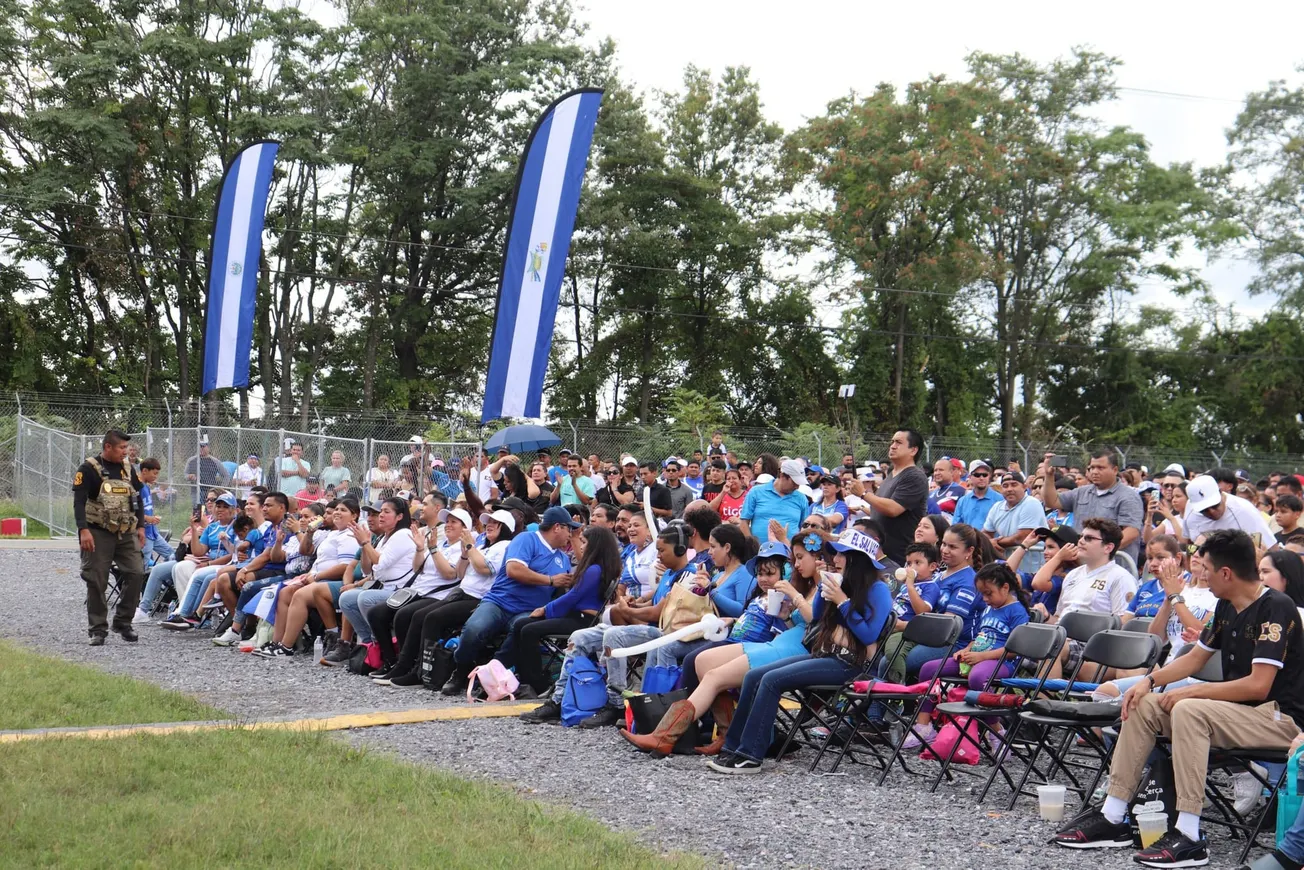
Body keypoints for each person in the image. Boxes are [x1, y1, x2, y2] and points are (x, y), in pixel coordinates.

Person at [1054, 531, 1304, 869]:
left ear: (1226, 573)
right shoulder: (1227, 604)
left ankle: (1189, 835)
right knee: (1143, 703)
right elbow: (1195, 658)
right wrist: (1149, 681)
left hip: (1279, 719)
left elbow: (1259, 686)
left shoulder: (1276, 606)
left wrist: (1190, 690)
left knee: (1188, 707)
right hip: (1235, 714)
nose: (1201, 575)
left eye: (1207, 569)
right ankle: (1114, 816)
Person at [705, 529, 894, 773]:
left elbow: (868, 635)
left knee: (772, 680)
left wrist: (843, 602)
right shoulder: (839, 582)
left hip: (849, 664)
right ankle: (733, 748)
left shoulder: (878, 590)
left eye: (840, 555)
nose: (834, 559)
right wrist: (822, 586)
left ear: (855, 559)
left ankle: (750, 755)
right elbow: (816, 619)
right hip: (825, 655)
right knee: (753, 676)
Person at [621, 538, 817, 755]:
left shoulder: (806, 589)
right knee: (701, 662)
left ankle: (664, 736)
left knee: (709, 673)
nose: (797, 564)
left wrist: (792, 601)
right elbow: (791, 621)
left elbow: (815, 622)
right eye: (795, 559)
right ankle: (723, 734)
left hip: (778, 647)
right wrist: (786, 615)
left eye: (799, 558)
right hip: (771, 641)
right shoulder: (793, 590)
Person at [444, 506, 578, 691]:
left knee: (522, 629)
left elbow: (561, 591)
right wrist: (549, 580)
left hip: (528, 609)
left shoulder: (563, 559)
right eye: (568, 529)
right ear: (557, 527)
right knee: (474, 629)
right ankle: (460, 672)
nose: (570, 535)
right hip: (500, 602)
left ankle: (490, 677)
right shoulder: (527, 539)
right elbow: (514, 570)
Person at [905, 563, 1031, 748]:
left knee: (978, 676)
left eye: (989, 593)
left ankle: (996, 732)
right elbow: (980, 636)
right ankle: (924, 726)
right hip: (976, 658)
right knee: (929, 669)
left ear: (1005, 587)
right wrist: (966, 650)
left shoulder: (1017, 611)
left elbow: (1015, 650)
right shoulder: (989, 608)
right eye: (982, 594)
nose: (985, 599)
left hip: (1002, 662)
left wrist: (982, 657)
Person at [497, 525, 622, 697]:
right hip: (574, 615)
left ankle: (534, 682)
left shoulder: (594, 570)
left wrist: (545, 610)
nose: (581, 546)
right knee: (521, 624)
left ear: (595, 545)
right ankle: (507, 670)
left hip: (582, 620)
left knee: (529, 630)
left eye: (584, 542)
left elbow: (573, 597)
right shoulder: (595, 567)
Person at [74, 430, 146, 645]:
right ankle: (98, 629)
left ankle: (123, 622)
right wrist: (83, 530)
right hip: (97, 531)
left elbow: (138, 498)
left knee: (136, 573)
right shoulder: (88, 469)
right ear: (108, 447)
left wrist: (141, 526)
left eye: (126, 448)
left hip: (125, 532)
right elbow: (78, 502)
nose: (126, 452)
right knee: (96, 580)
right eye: (122, 448)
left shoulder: (127, 468)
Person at [1044, 517, 1138, 678]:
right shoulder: (1073, 575)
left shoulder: (1120, 577)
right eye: (1081, 536)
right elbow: (1059, 618)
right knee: (1030, 639)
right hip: (1062, 637)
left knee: (1051, 644)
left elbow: (1123, 623)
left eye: (1089, 538)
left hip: (1093, 646)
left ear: (1108, 547)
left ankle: (1046, 702)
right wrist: (1046, 617)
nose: (1080, 541)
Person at [329, 498, 417, 665]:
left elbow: (380, 562)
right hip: (384, 587)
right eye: (380, 512)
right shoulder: (384, 537)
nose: (381, 516)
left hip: (401, 592)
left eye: (386, 512)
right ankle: (369, 644)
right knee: (347, 599)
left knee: (366, 598)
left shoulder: (403, 534)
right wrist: (364, 547)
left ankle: (384, 648)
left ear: (399, 517)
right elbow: (367, 570)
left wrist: (365, 542)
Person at [1039, 449, 1144, 564]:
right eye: (1091, 468)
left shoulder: (1128, 496)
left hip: (1114, 569)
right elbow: (1052, 502)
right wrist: (1049, 475)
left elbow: (1131, 531)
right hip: (1082, 567)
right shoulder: (1081, 492)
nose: (1094, 472)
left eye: (1100, 468)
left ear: (1114, 470)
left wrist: (1100, 551)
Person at [860, 430, 928, 564]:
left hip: (897, 558)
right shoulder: (891, 475)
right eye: (892, 442)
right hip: (878, 553)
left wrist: (863, 494)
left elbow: (893, 509)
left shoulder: (914, 477)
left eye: (898, 442)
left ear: (913, 450)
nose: (892, 446)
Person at [1183, 474, 1277, 549]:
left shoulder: (1244, 510)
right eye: (1204, 510)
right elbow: (1189, 544)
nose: (1211, 512)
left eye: (1215, 505)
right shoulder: (1190, 508)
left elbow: (1271, 547)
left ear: (1220, 491)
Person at [1006, 525, 1080, 619]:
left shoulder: (1070, 576)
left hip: (1052, 630)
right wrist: (1025, 545)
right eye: (1044, 547)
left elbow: (1038, 583)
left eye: (1050, 547)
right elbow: (1006, 574)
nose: (1045, 552)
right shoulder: (1041, 575)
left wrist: (1059, 557)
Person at [739, 458, 810, 544]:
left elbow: (804, 528)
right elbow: (744, 522)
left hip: (788, 553)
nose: (797, 487)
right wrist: (751, 547)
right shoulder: (756, 492)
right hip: (759, 552)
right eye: (794, 482)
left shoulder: (801, 498)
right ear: (782, 475)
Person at [983, 470, 1047, 563]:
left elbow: (1021, 537)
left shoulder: (1031, 503)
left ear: (1024, 487)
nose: (1009, 489)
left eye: (1014, 484)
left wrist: (993, 542)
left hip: (1032, 566)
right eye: (1005, 486)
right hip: (1008, 564)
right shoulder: (997, 507)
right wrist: (989, 541)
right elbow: (986, 533)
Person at [136, 458, 174, 567]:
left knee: (172, 554)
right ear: (144, 471)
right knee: (143, 564)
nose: (156, 476)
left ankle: (164, 578)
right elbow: (132, 512)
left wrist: (152, 518)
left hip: (153, 532)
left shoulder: (146, 487)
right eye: (154, 473)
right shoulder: (136, 487)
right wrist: (148, 518)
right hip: (143, 532)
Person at [953, 459, 1000, 529]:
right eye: (977, 475)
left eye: (985, 475)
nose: (981, 478)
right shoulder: (963, 501)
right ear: (969, 477)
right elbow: (956, 527)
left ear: (989, 476)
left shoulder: (1000, 500)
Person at [184, 436, 226, 505]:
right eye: (200, 446)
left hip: (210, 492)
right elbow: (185, 474)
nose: (201, 448)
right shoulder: (191, 460)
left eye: (203, 446)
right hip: (196, 491)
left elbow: (225, 475)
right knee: (197, 510)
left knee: (209, 511)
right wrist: (189, 476)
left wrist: (221, 488)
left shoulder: (215, 461)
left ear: (208, 447)